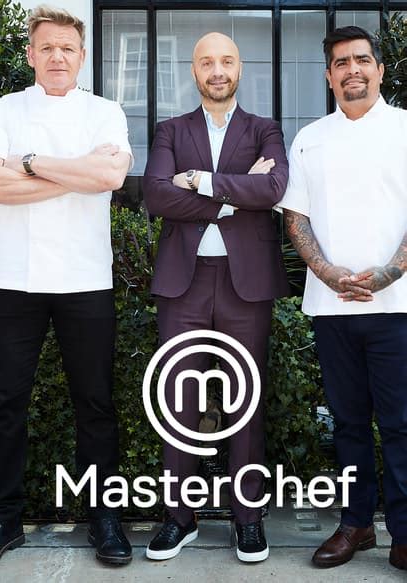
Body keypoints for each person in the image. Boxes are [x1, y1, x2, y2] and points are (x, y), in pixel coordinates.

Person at [143, 32, 289, 562]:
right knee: (178, 402)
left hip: (245, 285)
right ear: (194, 71)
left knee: (244, 403)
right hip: (182, 284)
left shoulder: (265, 129)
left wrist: (201, 180)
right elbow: (156, 194)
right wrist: (232, 195)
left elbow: (273, 189)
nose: (217, 70)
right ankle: (178, 518)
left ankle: (247, 519)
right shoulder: (170, 130)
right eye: (207, 62)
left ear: (240, 68)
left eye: (226, 60)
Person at [0, 5, 133, 565]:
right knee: (5, 401)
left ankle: (104, 516)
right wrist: (76, 172)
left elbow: (110, 175)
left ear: (82, 57)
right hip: (12, 277)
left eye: (67, 48)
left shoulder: (105, 112)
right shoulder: (5, 109)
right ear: (31, 54)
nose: (58, 56)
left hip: (85, 278)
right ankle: (5, 516)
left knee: (95, 402)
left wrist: (27, 163)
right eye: (47, 47)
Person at [279, 26, 407, 571]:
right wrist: (329, 272)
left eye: (361, 59)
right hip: (331, 308)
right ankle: (356, 524)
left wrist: (387, 274)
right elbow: (296, 215)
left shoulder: (405, 129)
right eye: (340, 63)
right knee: (348, 423)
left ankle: (404, 532)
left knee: (401, 424)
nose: (352, 69)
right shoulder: (311, 138)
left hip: (398, 307)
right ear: (329, 76)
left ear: (380, 68)